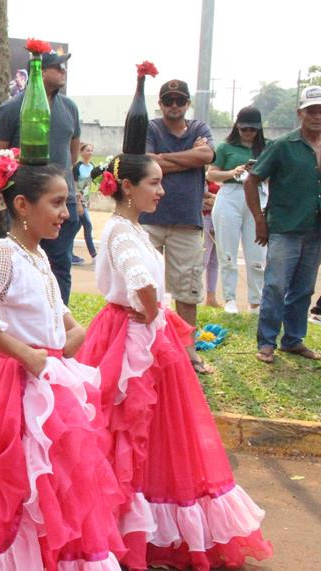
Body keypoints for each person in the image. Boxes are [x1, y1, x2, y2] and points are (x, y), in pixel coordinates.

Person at [79, 154, 272, 569]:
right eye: (153, 182)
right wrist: (152, 317)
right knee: (132, 430)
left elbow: (146, 284)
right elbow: (142, 283)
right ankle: (130, 525)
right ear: (127, 187)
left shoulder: (130, 228)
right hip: (132, 338)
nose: (161, 190)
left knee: (152, 432)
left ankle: (144, 523)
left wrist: (154, 317)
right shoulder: (121, 231)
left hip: (137, 333)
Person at [0, 157, 126, 568]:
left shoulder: (38, 257)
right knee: (28, 488)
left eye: (67, 203)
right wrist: (26, 353)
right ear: (22, 205)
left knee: (61, 486)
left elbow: (63, 324)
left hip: (50, 384)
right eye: (57, 203)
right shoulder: (5, 253)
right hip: (18, 391)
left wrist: (72, 345)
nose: (67, 213)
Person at [0, 50, 82, 303]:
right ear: (38, 71)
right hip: (28, 202)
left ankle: (60, 326)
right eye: (58, 67)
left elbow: (72, 156)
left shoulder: (70, 108)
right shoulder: (10, 109)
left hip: (65, 200)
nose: (63, 72)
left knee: (60, 266)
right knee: (25, 264)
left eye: (65, 68)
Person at [247, 86, 321, 364]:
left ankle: (293, 339)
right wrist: (258, 218)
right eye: (311, 110)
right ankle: (267, 341)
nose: (317, 115)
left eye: (320, 110)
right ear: (300, 113)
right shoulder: (282, 145)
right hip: (284, 226)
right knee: (276, 285)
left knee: (304, 288)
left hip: (315, 227)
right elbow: (252, 179)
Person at [140, 79, 215, 349]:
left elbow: (206, 156)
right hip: (149, 219)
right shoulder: (150, 127)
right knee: (142, 287)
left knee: (188, 290)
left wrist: (164, 159)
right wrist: (190, 156)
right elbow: (145, 162)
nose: (174, 105)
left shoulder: (199, 127)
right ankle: (144, 346)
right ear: (159, 103)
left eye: (180, 100)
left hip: (187, 221)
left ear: (187, 103)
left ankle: (188, 350)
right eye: (168, 100)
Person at [207, 106, 268, 314]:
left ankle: (256, 300)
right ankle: (230, 298)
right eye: (244, 129)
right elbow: (211, 174)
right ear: (237, 128)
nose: (248, 133)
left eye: (252, 129)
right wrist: (233, 172)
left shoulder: (267, 148)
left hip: (257, 195)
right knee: (227, 250)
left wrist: (257, 172)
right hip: (231, 193)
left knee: (257, 252)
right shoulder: (226, 148)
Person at [72, 142, 102, 264]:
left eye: (91, 150)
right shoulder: (78, 167)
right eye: (87, 150)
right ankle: (94, 255)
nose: (89, 153)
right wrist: (78, 200)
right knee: (88, 225)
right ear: (81, 152)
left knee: (75, 227)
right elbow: (74, 183)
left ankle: (68, 252)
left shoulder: (92, 166)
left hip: (86, 200)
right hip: (79, 200)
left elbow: (94, 182)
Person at [202, 181, 221, 308]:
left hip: (219, 219)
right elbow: (202, 200)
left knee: (215, 261)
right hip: (206, 217)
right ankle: (195, 293)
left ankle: (211, 296)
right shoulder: (204, 177)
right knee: (203, 259)